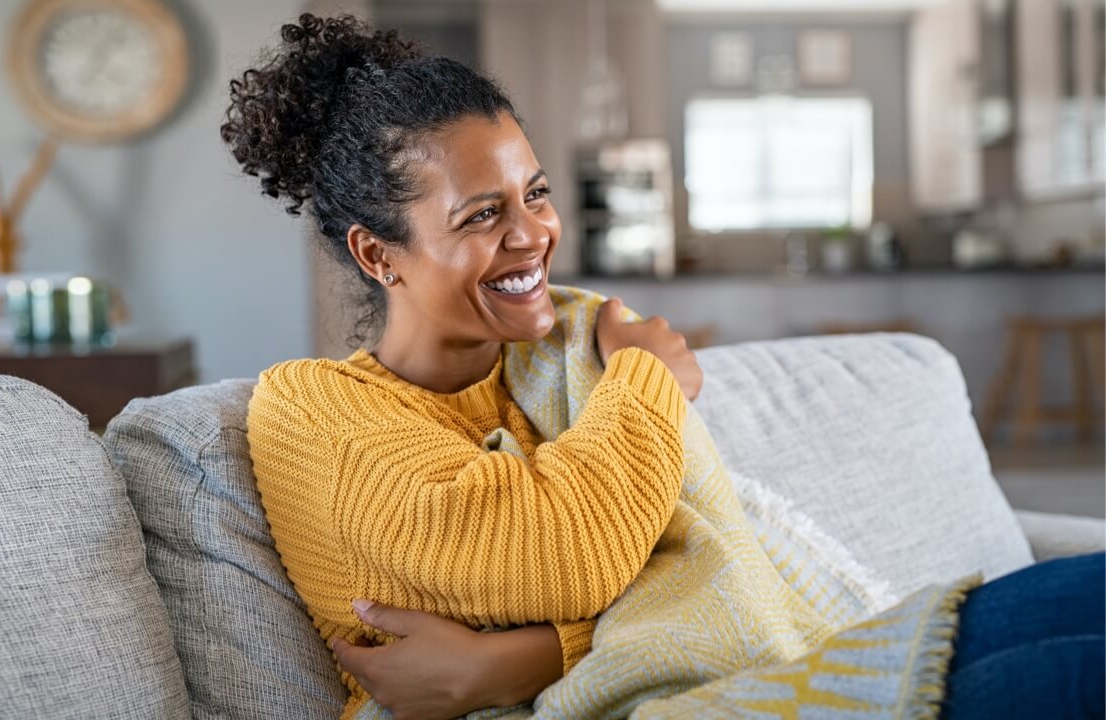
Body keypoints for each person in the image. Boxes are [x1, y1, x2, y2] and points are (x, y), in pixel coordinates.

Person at [222, 14, 1104, 720]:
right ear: (380, 256)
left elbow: (690, 551)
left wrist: (520, 656)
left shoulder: (564, 350)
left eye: (534, 193)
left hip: (777, 665)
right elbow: (559, 553)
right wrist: (646, 378)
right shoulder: (308, 409)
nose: (531, 234)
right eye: (481, 214)